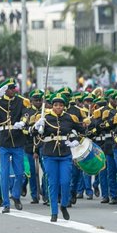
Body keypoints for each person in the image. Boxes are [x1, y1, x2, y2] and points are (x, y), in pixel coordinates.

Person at [36, 92, 83, 222]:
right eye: (56, 105)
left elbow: (82, 131)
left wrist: (76, 140)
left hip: (65, 154)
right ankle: (54, 212)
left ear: (64, 106)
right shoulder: (45, 118)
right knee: (53, 183)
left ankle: (63, 205)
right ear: (52, 106)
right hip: (49, 155)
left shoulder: (69, 118)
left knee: (66, 181)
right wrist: (37, 126)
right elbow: (34, 134)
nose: (58, 107)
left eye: (61, 105)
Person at [0, 81, 28, 213]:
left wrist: (23, 122)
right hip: (3, 141)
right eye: (11, 88)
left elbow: (26, 113)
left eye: (14, 88)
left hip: (17, 140)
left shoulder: (20, 101)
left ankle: (16, 195)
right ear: (5, 90)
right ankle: (6, 203)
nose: (14, 90)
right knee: (4, 174)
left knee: (19, 173)